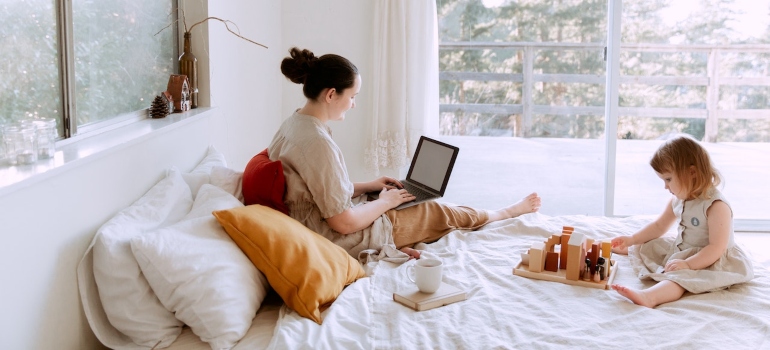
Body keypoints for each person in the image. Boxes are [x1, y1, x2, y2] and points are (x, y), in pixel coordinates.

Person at [267, 47, 541, 261]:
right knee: (436, 210)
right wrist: (385, 203)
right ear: (330, 95)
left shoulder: (295, 124)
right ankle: (504, 213)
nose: (353, 105)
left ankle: (400, 207)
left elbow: (319, 190)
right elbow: (344, 223)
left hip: (317, 221)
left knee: (403, 198)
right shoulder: (317, 143)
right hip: (335, 236)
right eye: (352, 96)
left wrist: (370, 186)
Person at [610, 135, 754, 308]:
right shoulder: (679, 199)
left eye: (668, 179)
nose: (665, 187)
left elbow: (717, 247)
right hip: (686, 249)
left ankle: (650, 297)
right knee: (650, 244)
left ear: (692, 172)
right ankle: (630, 249)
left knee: (681, 278)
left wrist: (688, 264)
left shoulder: (716, 206)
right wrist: (633, 239)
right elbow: (659, 226)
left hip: (710, 258)